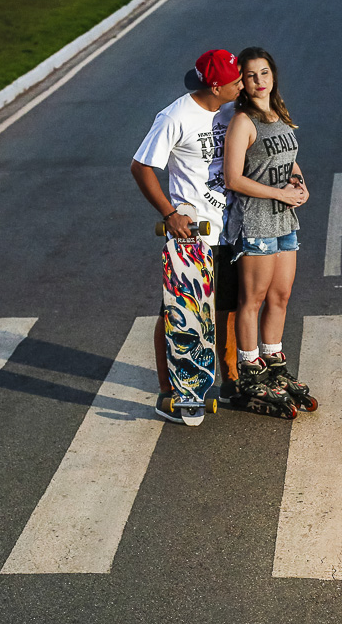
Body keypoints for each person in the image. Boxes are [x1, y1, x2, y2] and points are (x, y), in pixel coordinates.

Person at [130, 49, 242, 426]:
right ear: (215, 85)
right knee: (178, 316)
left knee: (227, 309)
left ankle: (231, 381)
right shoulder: (175, 116)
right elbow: (141, 166)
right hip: (193, 236)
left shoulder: (230, 110)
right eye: (235, 80)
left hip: (230, 229)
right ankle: (169, 392)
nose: (241, 84)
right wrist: (170, 213)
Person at [222, 47, 317, 416]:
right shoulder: (243, 122)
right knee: (253, 300)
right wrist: (279, 192)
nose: (259, 81)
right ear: (242, 82)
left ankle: (274, 365)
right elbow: (233, 178)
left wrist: (300, 183)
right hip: (257, 221)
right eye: (251, 75)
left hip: (284, 220)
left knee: (281, 296)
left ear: (272, 75)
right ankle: (250, 373)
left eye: (264, 73)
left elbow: (289, 158)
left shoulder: (279, 114)